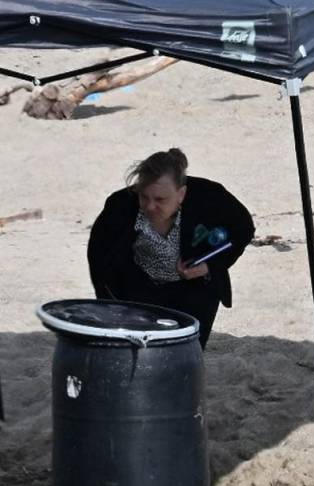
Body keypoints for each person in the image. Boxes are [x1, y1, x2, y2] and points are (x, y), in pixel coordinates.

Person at [88, 148, 254, 349]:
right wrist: (112, 303)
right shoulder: (120, 206)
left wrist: (209, 266)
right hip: (139, 288)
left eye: (160, 200)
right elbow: (99, 256)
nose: (150, 206)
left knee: (186, 351)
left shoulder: (211, 198)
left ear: (181, 193)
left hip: (195, 290)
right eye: (144, 197)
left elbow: (243, 229)